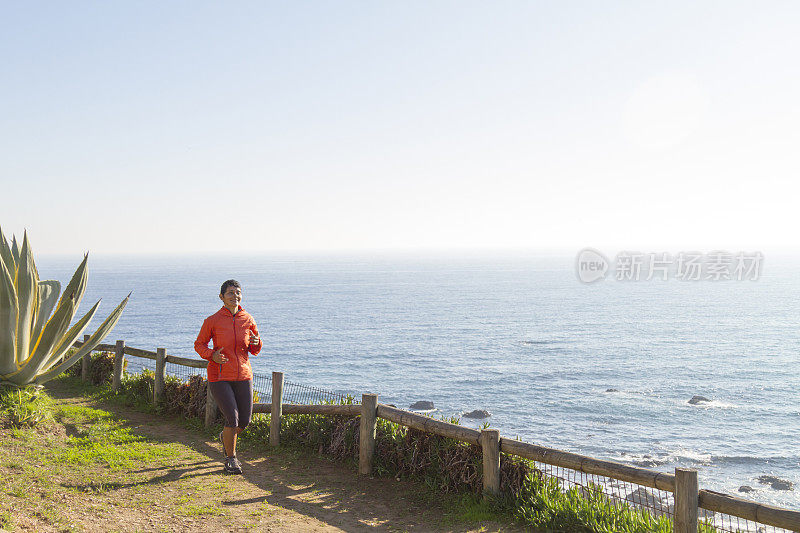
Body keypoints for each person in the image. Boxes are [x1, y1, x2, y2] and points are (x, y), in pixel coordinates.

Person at [194, 279, 263, 474]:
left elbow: (254, 348)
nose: (235, 296)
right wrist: (212, 355)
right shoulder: (212, 321)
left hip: (243, 374)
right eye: (230, 293)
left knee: (244, 421)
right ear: (221, 297)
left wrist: (257, 342)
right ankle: (231, 459)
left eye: (238, 292)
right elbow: (199, 345)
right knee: (232, 418)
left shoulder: (248, 319)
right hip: (219, 376)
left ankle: (226, 437)